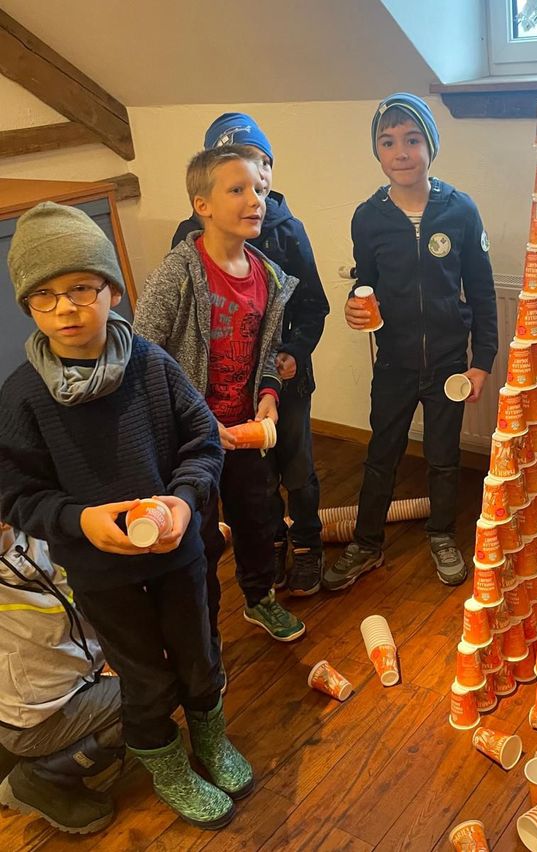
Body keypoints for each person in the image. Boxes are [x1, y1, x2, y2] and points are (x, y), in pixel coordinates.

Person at [0, 202, 250, 829]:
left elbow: (203, 440)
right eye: (45, 297)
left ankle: (210, 738)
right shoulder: (23, 396)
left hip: (179, 552)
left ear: (110, 288)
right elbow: (16, 492)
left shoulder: (151, 364)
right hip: (100, 573)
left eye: (81, 289)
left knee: (199, 654)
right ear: (28, 306)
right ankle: (162, 761)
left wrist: (184, 500)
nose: (66, 309)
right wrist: (79, 522)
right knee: (142, 674)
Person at [322, 93, 498, 592]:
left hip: (448, 364)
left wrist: (481, 361)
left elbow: (482, 293)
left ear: (431, 146)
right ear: (378, 153)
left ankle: (442, 534)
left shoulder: (460, 210)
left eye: (412, 140)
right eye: (389, 141)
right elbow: (365, 288)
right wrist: (357, 312)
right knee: (382, 454)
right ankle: (367, 542)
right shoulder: (368, 217)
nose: (401, 152)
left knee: (444, 457)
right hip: (394, 362)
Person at [135, 145, 306, 643]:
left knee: (258, 521)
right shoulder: (178, 274)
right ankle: (203, 632)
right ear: (202, 204)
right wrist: (194, 422)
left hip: (244, 433)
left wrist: (270, 393)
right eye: (237, 190)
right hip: (191, 443)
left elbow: (269, 349)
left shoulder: (267, 277)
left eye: (260, 189)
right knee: (201, 540)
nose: (254, 200)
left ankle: (259, 599)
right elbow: (143, 357)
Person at [172, 113, 329, 596]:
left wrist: (294, 353)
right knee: (254, 482)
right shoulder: (188, 239)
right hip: (227, 389)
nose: (255, 179)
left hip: (285, 383)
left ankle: (307, 545)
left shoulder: (286, 231)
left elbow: (313, 306)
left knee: (296, 467)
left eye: (263, 164)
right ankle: (271, 542)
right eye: (238, 171)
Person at [0, 523, 123, 834]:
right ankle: (40, 779)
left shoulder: (39, 528)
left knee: (152, 676)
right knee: (151, 695)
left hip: (72, 678)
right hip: (33, 717)